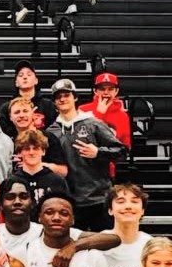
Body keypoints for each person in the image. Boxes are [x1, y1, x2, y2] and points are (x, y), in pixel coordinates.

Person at [45, 78, 125, 231]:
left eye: (66, 95)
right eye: (58, 97)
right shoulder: (51, 132)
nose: (62, 99)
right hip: (69, 201)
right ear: (54, 102)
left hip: (99, 199)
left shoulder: (93, 124)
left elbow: (121, 152)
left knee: (103, 247)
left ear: (75, 97)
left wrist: (98, 152)